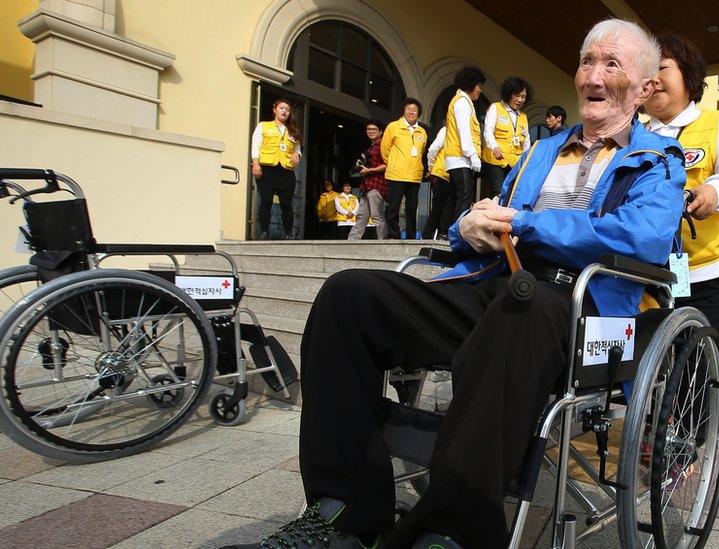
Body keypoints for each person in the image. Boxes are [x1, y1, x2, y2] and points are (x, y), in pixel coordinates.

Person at [224, 18, 684, 549]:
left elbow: (642, 238)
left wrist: (525, 224)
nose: (593, 75)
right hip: (491, 284)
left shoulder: (659, 160)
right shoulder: (539, 151)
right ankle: (343, 513)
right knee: (349, 295)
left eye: (612, 64)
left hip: (585, 309)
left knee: (526, 306)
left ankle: (452, 532)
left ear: (647, 87)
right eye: (587, 61)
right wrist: (465, 227)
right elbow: (488, 216)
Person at [643, 34, 719, 346]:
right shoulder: (635, 135)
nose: (653, 79)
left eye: (662, 68)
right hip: (646, 274)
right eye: (646, 72)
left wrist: (714, 191)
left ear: (688, 75)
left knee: (694, 371)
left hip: (709, 273)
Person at [251, 98, 302, 240]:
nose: (284, 111)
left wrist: (297, 154)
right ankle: (264, 232)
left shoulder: (293, 130)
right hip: (267, 168)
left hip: (286, 170)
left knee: (286, 204)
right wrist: (255, 163)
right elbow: (256, 144)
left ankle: (288, 234)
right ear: (275, 110)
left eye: (287, 109)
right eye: (282, 108)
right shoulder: (264, 126)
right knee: (266, 201)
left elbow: (297, 147)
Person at [444, 66, 486, 222]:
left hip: (457, 157)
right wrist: (473, 155)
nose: (480, 90)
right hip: (460, 157)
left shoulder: (462, 101)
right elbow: (464, 131)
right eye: (479, 86)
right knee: (465, 196)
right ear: (470, 85)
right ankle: (458, 231)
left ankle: (448, 231)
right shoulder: (462, 102)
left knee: (455, 197)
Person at [382, 99, 427, 240]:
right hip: (396, 174)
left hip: (414, 175)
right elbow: (385, 149)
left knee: (412, 208)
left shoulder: (422, 132)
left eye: (414, 109)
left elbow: (422, 152)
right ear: (403, 110)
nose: (411, 112)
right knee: (393, 207)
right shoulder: (393, 127)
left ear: (418, 113)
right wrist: (394, 164)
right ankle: (393, 235)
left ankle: (411, 236)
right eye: (409, 109)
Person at [481, 77, 532, 200]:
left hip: (514, 163)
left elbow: (526, 142)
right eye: (517, 95)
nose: (520, 99)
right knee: (498, 192)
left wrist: (529, 159)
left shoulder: (523, 117)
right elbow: (488, 131)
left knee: (511, 194)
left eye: (523, 97)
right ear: (509, 93)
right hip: (495, 161)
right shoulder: (496, 108)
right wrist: (494, 147)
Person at [350, 121, 388, 240]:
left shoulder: (383, 145)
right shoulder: (370, 147)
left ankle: (383, 242)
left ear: (381, 131)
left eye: (374, 129)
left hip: (377, 185)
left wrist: (370, 170)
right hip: (366, 186)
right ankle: (351, 242)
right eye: (368, 129)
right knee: (361, 216)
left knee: (377, 216)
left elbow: (387, 164)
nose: (371, 131)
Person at [422, 126, 454, 239]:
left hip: (452, 175)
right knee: (438, 207)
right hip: (440, 173)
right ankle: (426, 235)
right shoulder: (446, 129)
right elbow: (433, 149)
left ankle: (442, 234)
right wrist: (431, 168)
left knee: (448, 208)